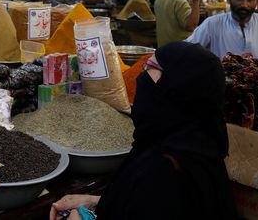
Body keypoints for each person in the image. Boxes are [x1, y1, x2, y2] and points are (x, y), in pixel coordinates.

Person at [49, 42, 237, 220]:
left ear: (175, 87)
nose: (142, 76)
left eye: (150, 68)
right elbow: (144, 205)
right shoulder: (201, 148)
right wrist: (97, 201)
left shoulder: (163, 171)